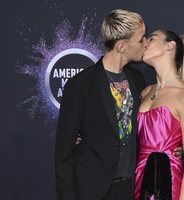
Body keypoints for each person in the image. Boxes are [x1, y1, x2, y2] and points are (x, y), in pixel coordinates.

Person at [55, 9, 147, 200]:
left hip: (130, 188)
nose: (146, 43)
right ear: (121, 46)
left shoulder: (137, 80)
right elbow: (64, 153)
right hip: (93, 189)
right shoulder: (81, 84)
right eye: (141, 40)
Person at [134, 29, 184, 200]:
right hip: (137, 178)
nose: (145, 43)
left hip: (168, 181)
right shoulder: (144, 91)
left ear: (170, 46)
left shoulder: (181, 94)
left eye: (152, 38)